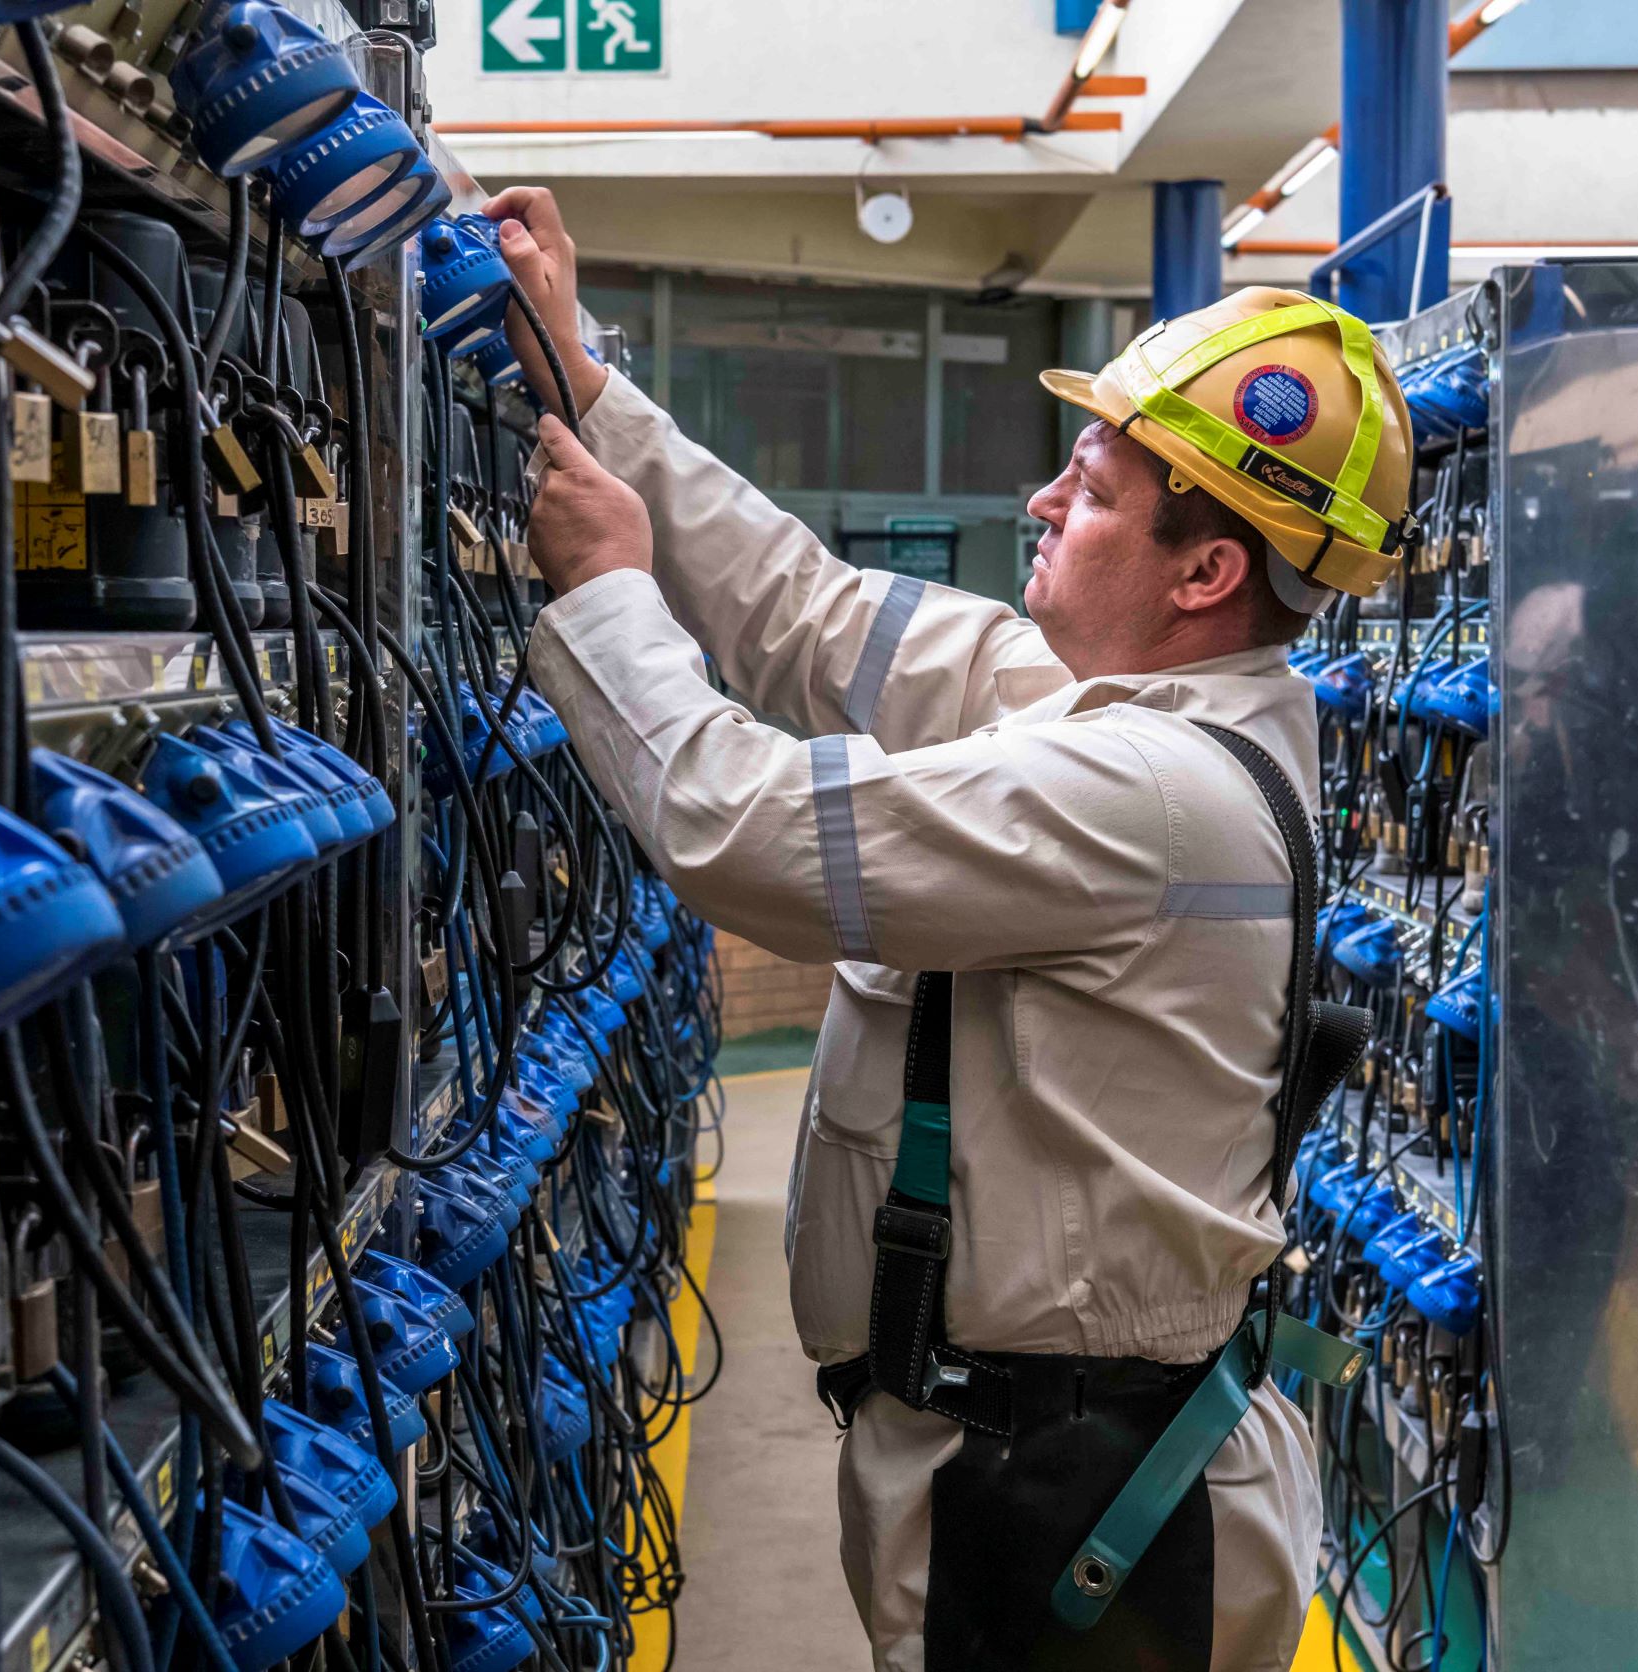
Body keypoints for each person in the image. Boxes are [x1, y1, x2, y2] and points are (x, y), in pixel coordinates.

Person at [483, 186, 1416, 1672]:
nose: (1042, 502)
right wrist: (587, 390)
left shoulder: (1144, 789)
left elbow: (747, 829)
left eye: (1091, 492)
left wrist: (606, 595)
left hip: (1073, 1500)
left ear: (1205, 573)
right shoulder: (1113, 715)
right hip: (1028, 1461)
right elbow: (807, 612)